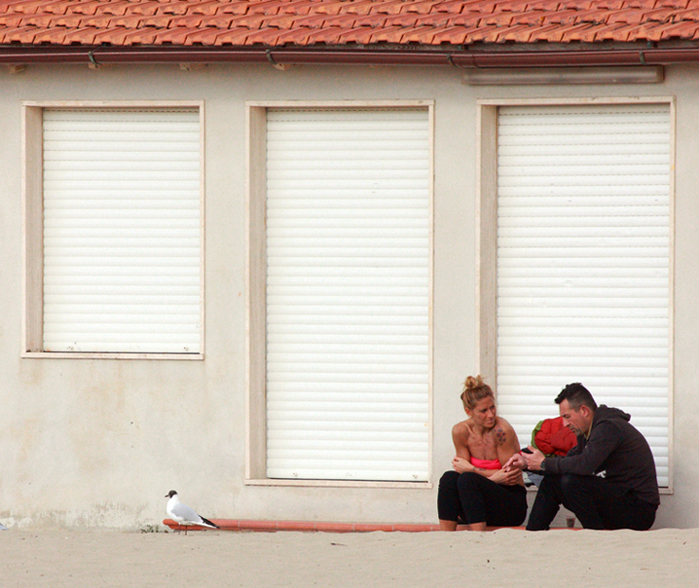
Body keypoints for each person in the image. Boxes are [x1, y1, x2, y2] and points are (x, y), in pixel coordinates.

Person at [504, 382, 660, 531]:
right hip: (620, 500)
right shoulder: (587, 431)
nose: (564, 424)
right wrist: (528, 463)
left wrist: (544, 463)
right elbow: (567, 463)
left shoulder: (608, 427)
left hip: (639, 510)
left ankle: (593, 536)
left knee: (572, 481)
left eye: (567, 416)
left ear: (584, 411)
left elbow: (584, 465)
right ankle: (533, 534)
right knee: (553, 482)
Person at [437, 375, 527, 531]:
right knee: (448, 479)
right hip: (476, 503)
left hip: (510, 504)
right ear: (468, 411)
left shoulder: (501, 430)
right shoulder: (460, 431)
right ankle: (446, 537)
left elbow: (510, 476)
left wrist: (474, 470)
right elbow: (460, 473)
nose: (491, 414)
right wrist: (493, 477)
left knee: (468, 479)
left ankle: (478, 539)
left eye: (492, 407)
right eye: (483, 411)